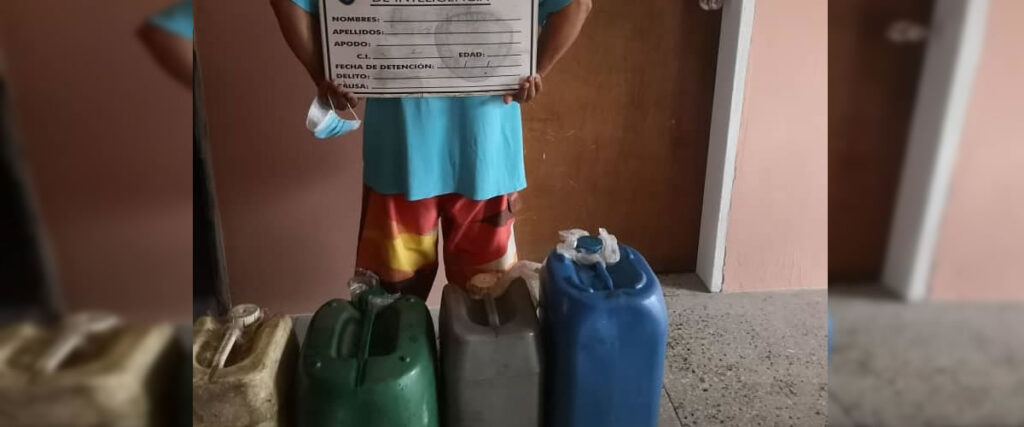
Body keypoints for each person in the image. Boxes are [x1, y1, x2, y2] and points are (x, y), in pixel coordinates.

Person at [271, 0, 591, 300]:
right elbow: (578, 4)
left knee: (390, 312)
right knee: (487, 313)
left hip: (400, 156)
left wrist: (323, 76)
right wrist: (536, 70)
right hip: (484, 154)